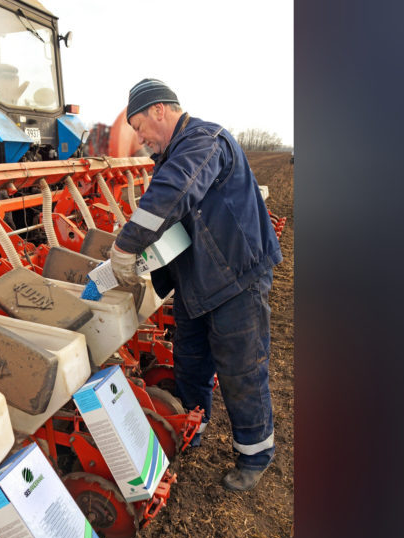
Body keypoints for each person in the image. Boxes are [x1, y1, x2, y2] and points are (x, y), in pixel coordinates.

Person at [111, 79, 282, 492]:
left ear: (159, 111)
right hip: (197, 280)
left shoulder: (204, 140)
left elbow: (174, 195)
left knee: (241, 367)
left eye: (139, 126)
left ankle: (255, 454)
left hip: (236, 277)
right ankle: (192, 428)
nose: (139, 138)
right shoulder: (171, 153)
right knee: (190, 361)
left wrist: (125, 244)